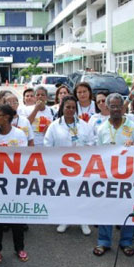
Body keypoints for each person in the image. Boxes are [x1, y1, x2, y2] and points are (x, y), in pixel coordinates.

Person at [94, 93, 134, 257]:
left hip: (128, 177)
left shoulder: (133, 128)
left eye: (118, 106)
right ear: (107, 107)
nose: (115, 109)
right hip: (108, 177)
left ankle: (126, 242)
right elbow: (97, 154)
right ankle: (103, 242)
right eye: (112, 106)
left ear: (123, 107)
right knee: (105, 209)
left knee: (127, 209)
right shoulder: (101, 129)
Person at [0, 104, 29, 263]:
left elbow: (22, 158)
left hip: (15, 182)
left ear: (7, 117)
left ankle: (20, 248)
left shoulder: (19, 134)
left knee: (16, 215)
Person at [44, 96, 94, 235]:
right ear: (62, 108)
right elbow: (48, 145)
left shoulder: (85, 126)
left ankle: (83, 221)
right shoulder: (54, 126)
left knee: (81, 194)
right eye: (67, 107)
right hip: (61, 167)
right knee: (65, 194)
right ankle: (65, 219)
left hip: (81, 166)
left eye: (73, 107)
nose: (70, 110)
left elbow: (92, 143)